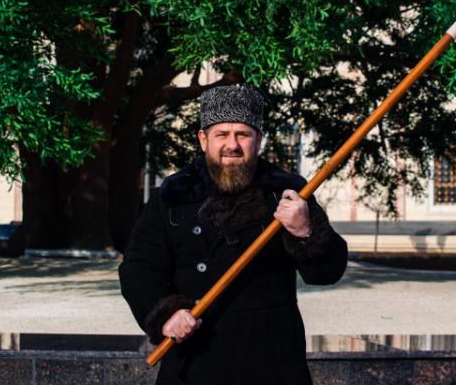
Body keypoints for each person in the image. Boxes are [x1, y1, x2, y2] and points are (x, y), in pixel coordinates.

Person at [120, 84, 348, 385]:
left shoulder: (287, 192)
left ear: (259, 140)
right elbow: (138, 268)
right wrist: (165, 315)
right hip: (195, 360)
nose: (232, 145)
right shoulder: (173, 195)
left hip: (272, 361)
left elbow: (327, 273)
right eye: (222, 134)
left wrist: (306, 230)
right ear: (203, 140)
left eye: (242, 134)